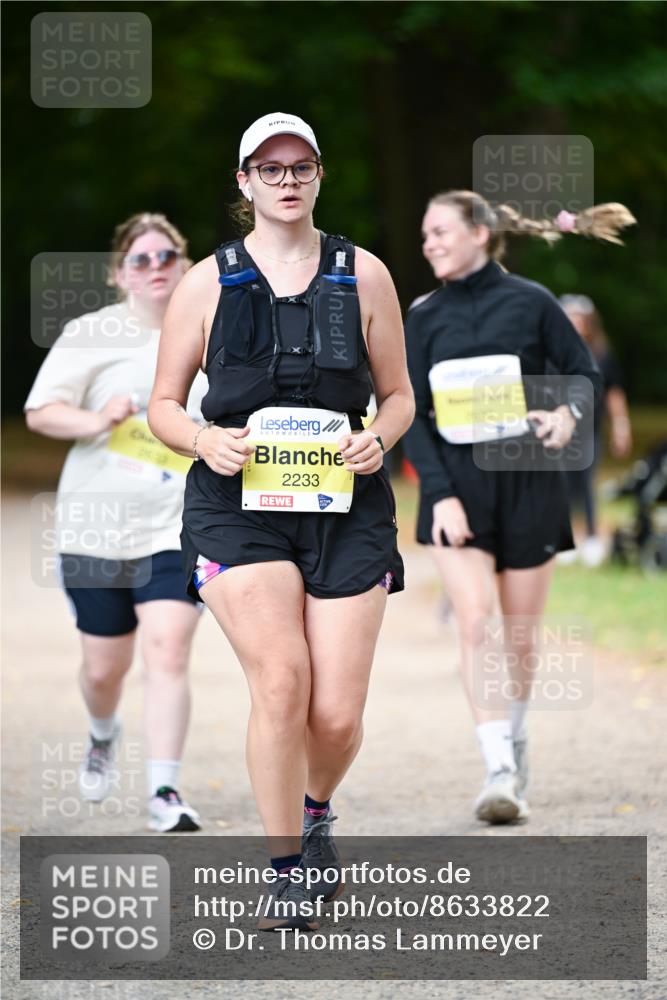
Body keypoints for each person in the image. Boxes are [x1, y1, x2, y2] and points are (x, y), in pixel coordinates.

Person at [147, 113, 414, 929]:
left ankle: (314, 810)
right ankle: (286, 871)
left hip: (345, 505)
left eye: (301, 166)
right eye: (270, 169)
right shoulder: (205, 281)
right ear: (245, 183)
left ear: (319, 176)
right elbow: (162, 405)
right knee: (281, 681)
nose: (287, 180)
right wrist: (203, 439)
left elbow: (399, 395)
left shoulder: (362, 274)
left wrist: (377, 438)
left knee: (334, 714)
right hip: (236, 508)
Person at [404, 191, 635, 825]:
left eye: (439, 230)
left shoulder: (531, 302)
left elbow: (584, 373)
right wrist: (440, 493)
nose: (428, 243)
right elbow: (408, 416)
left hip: (530, 484)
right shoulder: (421, 317)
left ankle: (517, 734)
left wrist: (566, 413)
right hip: (457, 493)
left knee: (520, 638)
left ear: (480, 232)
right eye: (424, 234)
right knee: (476, 622)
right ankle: (498, 767)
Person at [25, 212, 208, 833]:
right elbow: (41, 412)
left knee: (168, 649)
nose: (156, 268)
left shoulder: (214, 331)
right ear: (119, 274)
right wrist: (100, 418)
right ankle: (103, 732)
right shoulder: (91, 333)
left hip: (178, 527)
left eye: (166, 257)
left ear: (183, 266)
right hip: (96, 527)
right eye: (142, 260)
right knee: (105, 670)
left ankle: (164, 789)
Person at [559, 294, 633, 567]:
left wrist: (621, 426)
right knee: (562, 484)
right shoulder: (553, 350)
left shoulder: (601, 354)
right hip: (559, 429)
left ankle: (591, 537)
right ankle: (564, 539)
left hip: (589, 428)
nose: (575, 324)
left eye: (580, 319)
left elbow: (614, 393)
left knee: (585, 482)